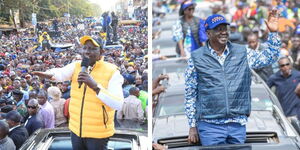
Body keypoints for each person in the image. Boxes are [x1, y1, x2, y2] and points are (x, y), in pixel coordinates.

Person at [185, 10, 281, 146]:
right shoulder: (196, 58)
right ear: (208, 34)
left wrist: (273, 33)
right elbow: (190, 94)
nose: (223, 32)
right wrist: (192, 126)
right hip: (210, 126)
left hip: (237, 125)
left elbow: (270, 57)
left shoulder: (242, 52)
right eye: (218, 29)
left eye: (225, 28)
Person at [32, 35, 124, 150]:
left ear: (102, 51)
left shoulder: (112, 71)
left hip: (98, 133)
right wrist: (49, 74)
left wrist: (95, 86)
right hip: (76, 130)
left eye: (92, 48)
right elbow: (60, 73)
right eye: (85, 48)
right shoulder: (76, 66)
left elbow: (118, 104)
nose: (87, 52)